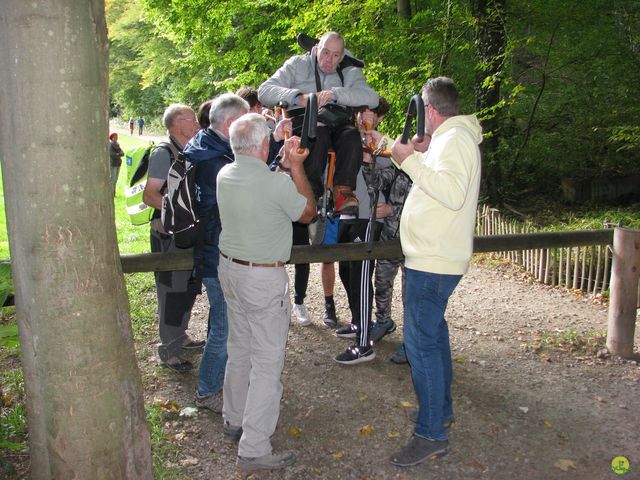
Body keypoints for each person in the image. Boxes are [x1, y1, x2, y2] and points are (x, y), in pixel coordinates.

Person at [388, 77, 482, 467]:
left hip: (434, 260)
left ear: (428, 111)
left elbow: (452, 193)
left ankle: (430, 434)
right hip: (432, 256)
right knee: (433, 336)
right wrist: (417, 156)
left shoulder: (457, 140)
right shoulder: (450, 141)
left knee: (421, 345)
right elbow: (439, 183)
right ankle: (439, 411)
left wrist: (408, 159)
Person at [217, 113, 316, 471]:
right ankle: (254, 448)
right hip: (261, 279)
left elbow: (264, 181)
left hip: (230, 269)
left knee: (239, 347)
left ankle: (234, 418)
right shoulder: (275, 184)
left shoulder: (225, 174)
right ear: (263, 144)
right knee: (267, 363)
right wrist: (296, 168)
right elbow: (308, 212)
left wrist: (283, 164)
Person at [258, 31, 379, 214]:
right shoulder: (297, 64)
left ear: (342, 56)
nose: (330, 60)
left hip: (337, 121)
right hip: (304, 119)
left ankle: (343, 191)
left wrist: (335, 94)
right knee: (318, 134)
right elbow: (264, 91)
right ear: (316, 49)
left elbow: (372, 98)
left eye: (336, 55)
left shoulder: (349, 69)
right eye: (325, 53)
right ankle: (310, 193)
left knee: (351, 135)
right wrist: (299, 98)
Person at [142, 104, 203, 372]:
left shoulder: (189, 149)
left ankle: (180, 336)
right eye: (192, 119)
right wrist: (176, 216)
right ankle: (168, 349)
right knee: (171, 291)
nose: (197, 123)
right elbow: (150, 194)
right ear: (178, 123)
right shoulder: (163, 153)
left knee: (189, 287)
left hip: (187, 233)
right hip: (169, 235)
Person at [333, 100, 392, 364]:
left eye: (371, 115)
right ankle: (358, 322)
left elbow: (398, 178)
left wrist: (390, 207)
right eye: (361, 114)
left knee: (361, 274)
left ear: (378, 118)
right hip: (347, 213)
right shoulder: (347, 140)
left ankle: (364, 343)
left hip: (369, 217)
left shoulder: (384, 145)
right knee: (346, 269)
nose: (365, 119)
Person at [108, 132, 124, 196]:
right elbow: (112, 155)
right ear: (112, 138)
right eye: (115, 137)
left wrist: (118, 154)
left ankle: (113, 193)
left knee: (116, 179)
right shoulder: (110, 145)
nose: (116, 138)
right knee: (113, 179)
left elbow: (123, 153)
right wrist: (119, 154)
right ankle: (110, 193)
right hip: (113, 164)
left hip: (118, 164)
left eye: (117, 137)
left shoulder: (117, 145)